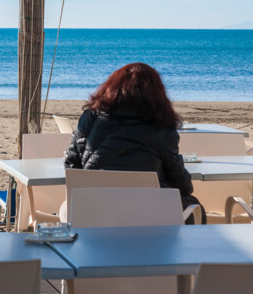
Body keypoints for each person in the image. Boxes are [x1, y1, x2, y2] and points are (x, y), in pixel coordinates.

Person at [64, 62, 204, 223]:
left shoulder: (90, 118)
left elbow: (71, 165)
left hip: (96, 212)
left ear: (111, 87)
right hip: (149, 217)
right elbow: (183, 185)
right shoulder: (162, 128)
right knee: (193, 205)